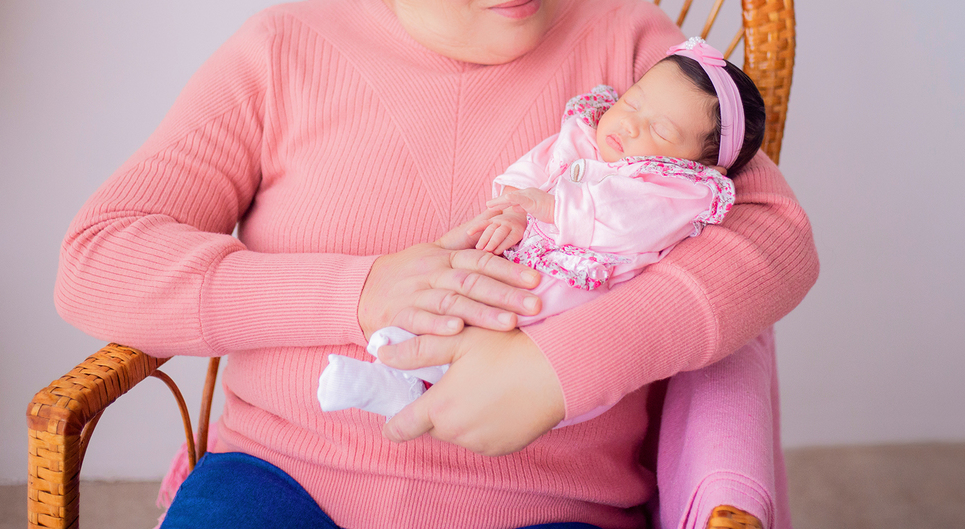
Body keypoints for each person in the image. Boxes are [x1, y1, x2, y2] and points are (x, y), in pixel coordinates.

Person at [55, 0, 817, 529]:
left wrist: (560, 368)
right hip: (278, 483)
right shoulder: (281, 53)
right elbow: (99, 260)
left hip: (546, 509)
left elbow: (777, 238)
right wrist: (360, 293)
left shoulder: (632, 56)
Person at [316, 38, 768, 426]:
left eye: (661, 130)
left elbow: (628, 222)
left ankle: (424, 382)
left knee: (511, 319)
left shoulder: (679, 191)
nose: (629, 122)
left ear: (699, 165)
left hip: (575, 294)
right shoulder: (585, 133)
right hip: (526, 254)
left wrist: (552, 207)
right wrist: (516, 206)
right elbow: (538, 165)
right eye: (633, 102)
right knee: (461, 290)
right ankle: (398, 373)